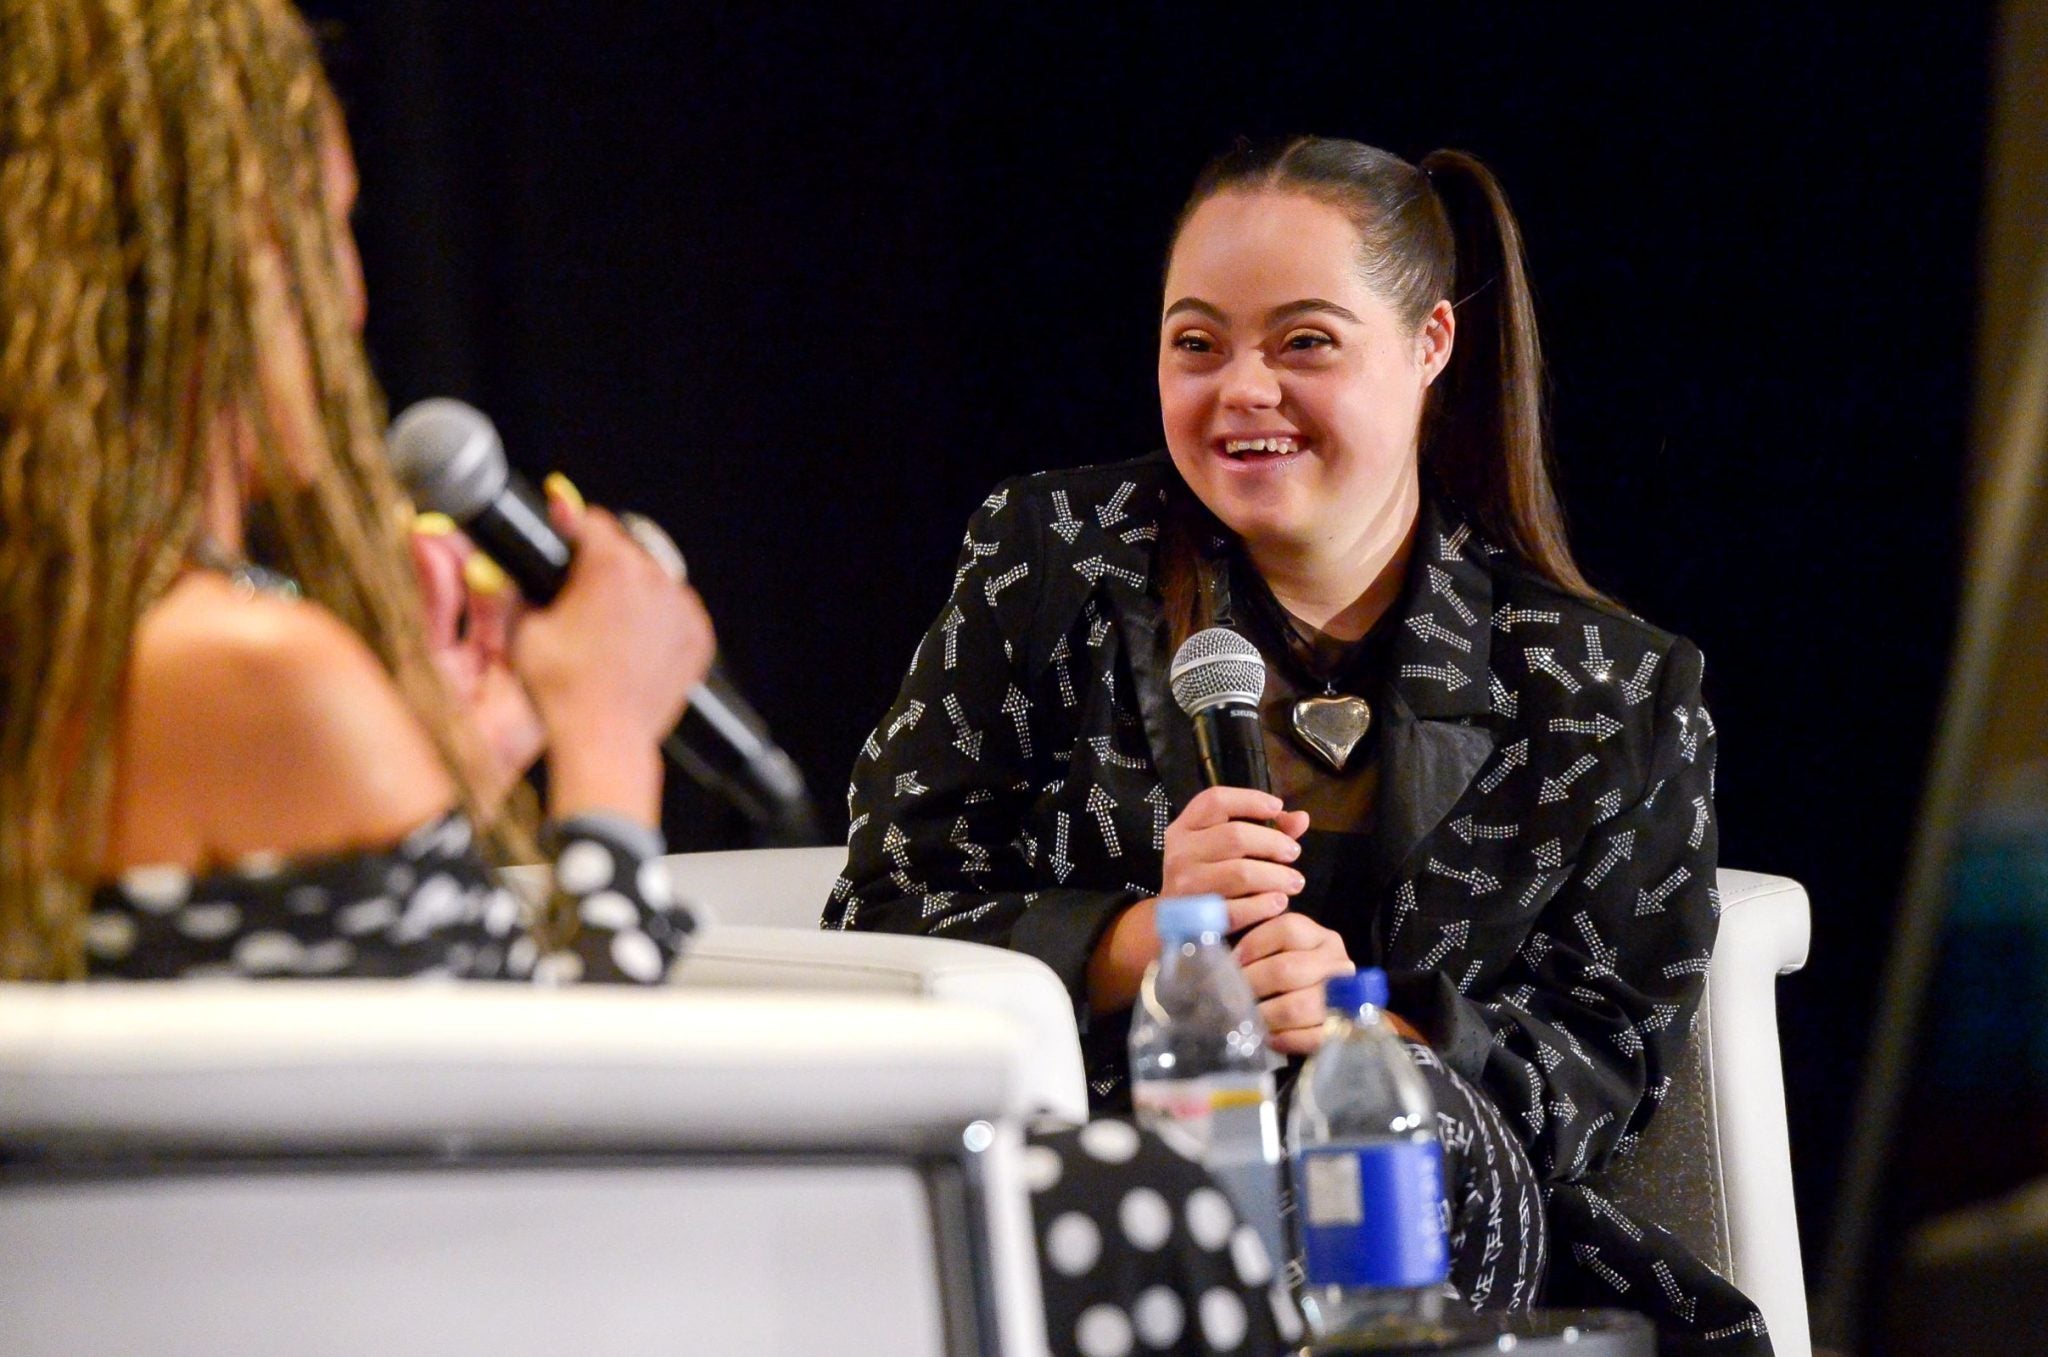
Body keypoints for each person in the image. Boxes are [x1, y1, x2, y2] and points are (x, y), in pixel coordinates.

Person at [0, 6, 1292, 1354]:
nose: (350, 298)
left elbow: (349, 1025)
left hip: (286, 1277)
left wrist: (447, 756)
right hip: (503, 1282)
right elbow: (580, 1107)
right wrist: (605, 734)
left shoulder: (89, 648)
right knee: (1145, 1203)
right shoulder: (247, 670)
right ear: (196, 262)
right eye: (321, 233)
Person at [831, 137, 1773, 1353]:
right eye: (1196, 343)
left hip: (1452, 1231)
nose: (1242, 390)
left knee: (1376, 1128)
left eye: (1303, 342)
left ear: (1430, 344)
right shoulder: (1051, 561)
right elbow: (878, 913)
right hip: (1109, 1186)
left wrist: (1363, 1032)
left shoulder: (1609, 687)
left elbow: (1602, 1059)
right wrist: (1141, 948)